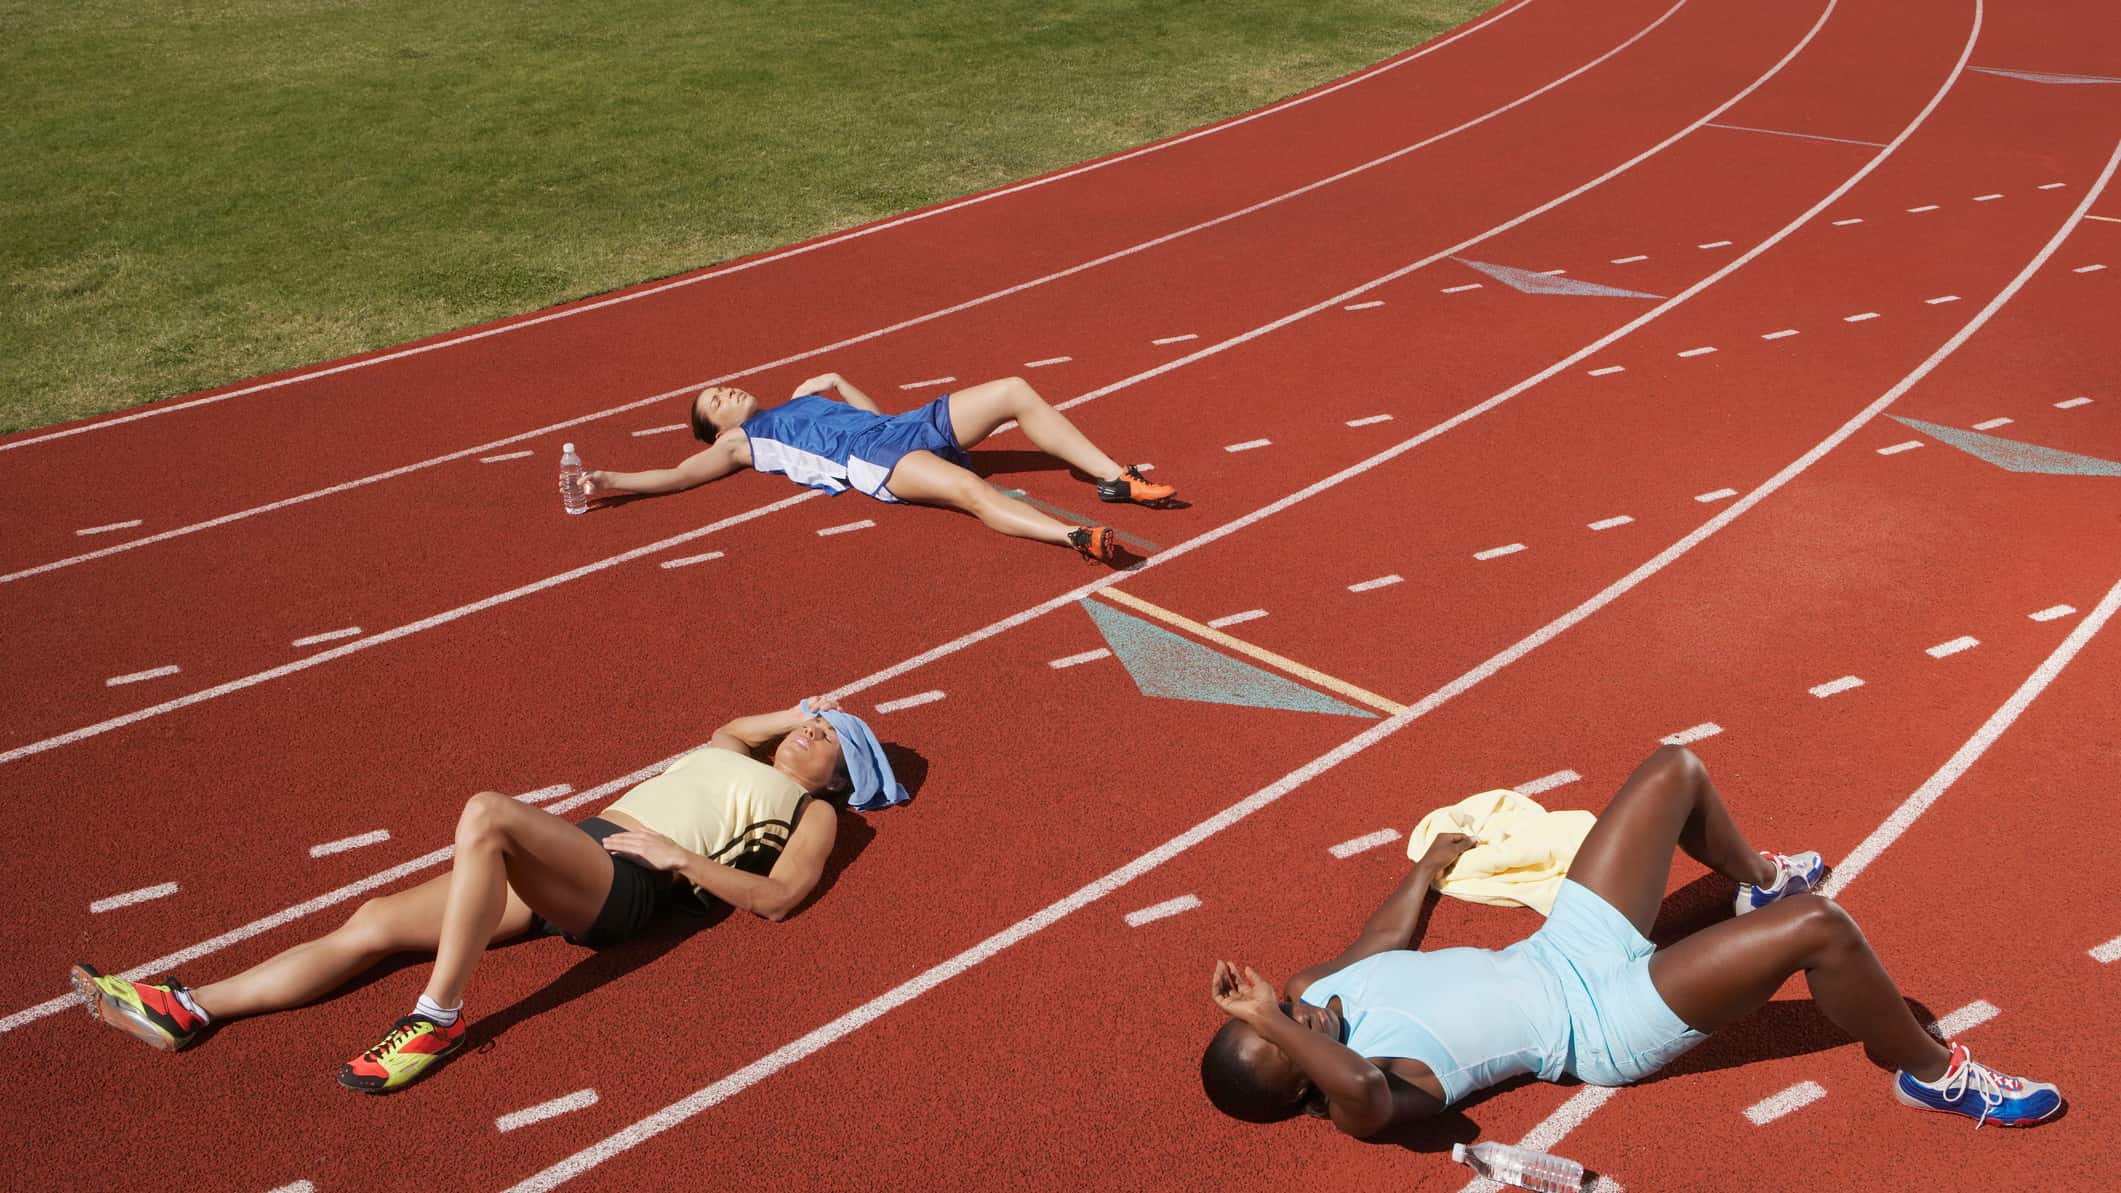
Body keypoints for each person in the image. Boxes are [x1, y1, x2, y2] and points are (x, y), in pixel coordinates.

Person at [1202, 745, 2062, 1135]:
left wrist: (1429, 865)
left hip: (1560, 947)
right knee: (1818, 929)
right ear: (1294, 1091)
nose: (1298, 1011)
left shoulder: (1320, 994)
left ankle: (1756, 875)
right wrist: (1279, 1027)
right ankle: (1932, 1075)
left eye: (1280, 1004)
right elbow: (1355, 1084)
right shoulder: (1363, 1097)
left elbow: (1380, 937)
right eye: (1283, 1033)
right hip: (1600, 1023)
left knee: (1672, 769)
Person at [71, 696, 906, 1093]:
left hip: (624, 885)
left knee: (486, 813)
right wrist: (806, 707)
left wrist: (676, 856)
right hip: (574, 853)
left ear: (843, 776)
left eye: (831, 734)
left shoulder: (810, 812)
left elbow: (779, 898)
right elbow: (748, 723)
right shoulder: (733, 745)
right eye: (814, 715)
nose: (810, 725)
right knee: (373, 922)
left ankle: (435, 1018)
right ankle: (192, 1008)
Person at [582, 372, 1177, 563]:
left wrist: (841, 382)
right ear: (718, 428)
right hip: (875, 461)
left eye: (722, 388)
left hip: (898, 427)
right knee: (969, 489)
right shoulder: (740, 443)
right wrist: (611, 480)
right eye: (715, 403)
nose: (726, 393)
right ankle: (1073, 535)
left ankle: (1114, 478)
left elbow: (876, 413)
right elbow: (680, 476)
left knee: (1014, 390)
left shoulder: (799, 401)